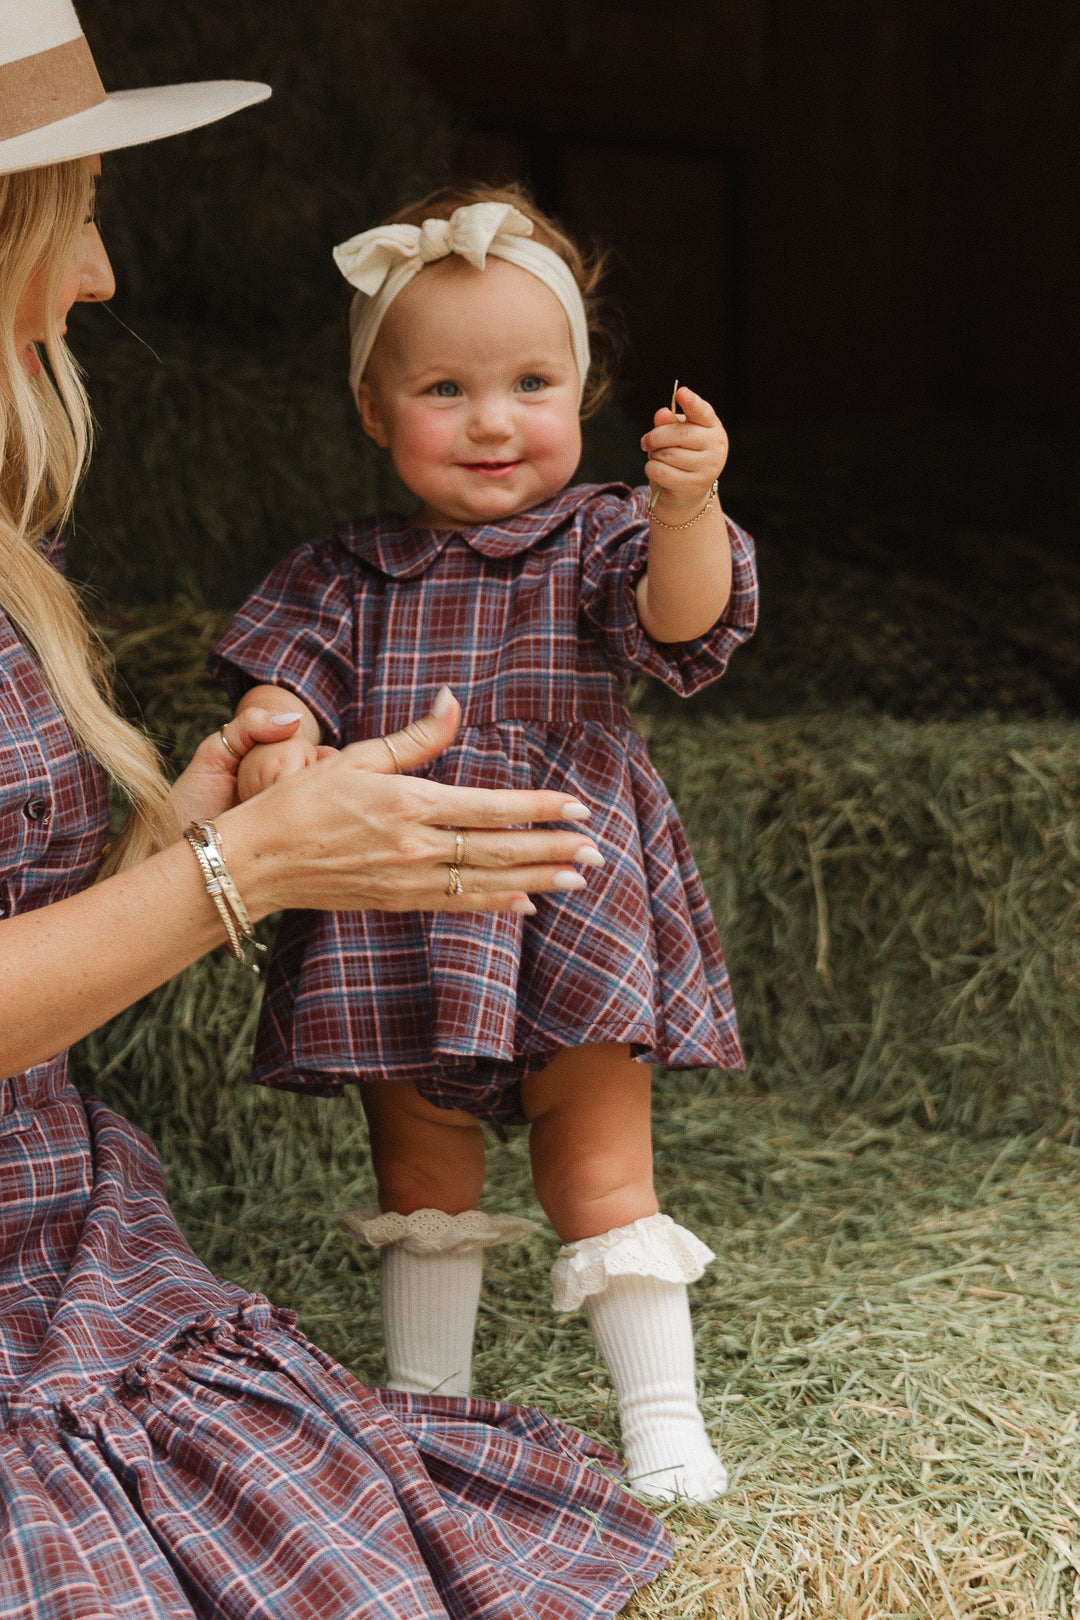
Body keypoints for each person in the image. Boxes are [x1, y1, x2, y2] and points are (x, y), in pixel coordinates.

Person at [0, 6, 675, 1616]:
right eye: (78, 213)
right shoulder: (332, 577)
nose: (102, 274)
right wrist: (242, 871)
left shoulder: (14, 532)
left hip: (57, 1212)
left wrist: (194, 824)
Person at [210, 183, 759, 1503]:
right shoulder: (341, 573)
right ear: (372, 411)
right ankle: (424, 1410)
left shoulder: (603, 537)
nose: (493, 420)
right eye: (445, 389)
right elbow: (281, 680)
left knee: (597, 1160)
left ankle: (663, 1418)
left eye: (530, 381)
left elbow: (684, 628)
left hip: (563, 891)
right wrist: (279, 718)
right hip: (394, 903)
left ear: (583, 388)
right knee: (421, 1163)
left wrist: (690, 511)